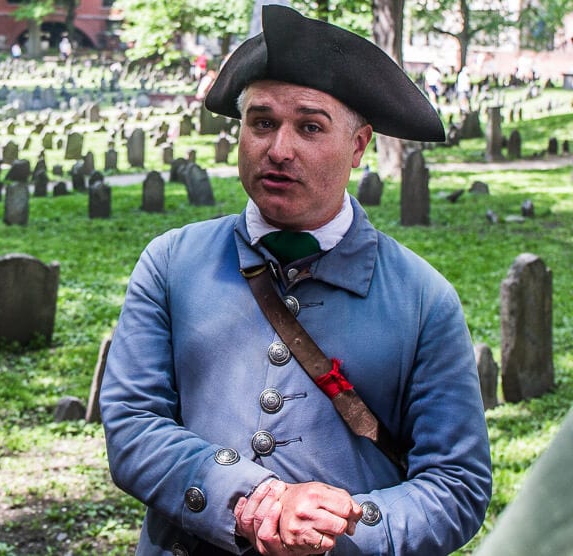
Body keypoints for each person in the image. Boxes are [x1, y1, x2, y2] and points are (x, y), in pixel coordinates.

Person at [100, 5, 491, 556]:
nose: (279, 150)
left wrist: (345, 526)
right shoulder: (170, 263)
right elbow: (133, 424)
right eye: (262, 123)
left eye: (310, 126)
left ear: (358, 146)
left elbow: (457, 486)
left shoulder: (425, 301)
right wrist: (247, 499)